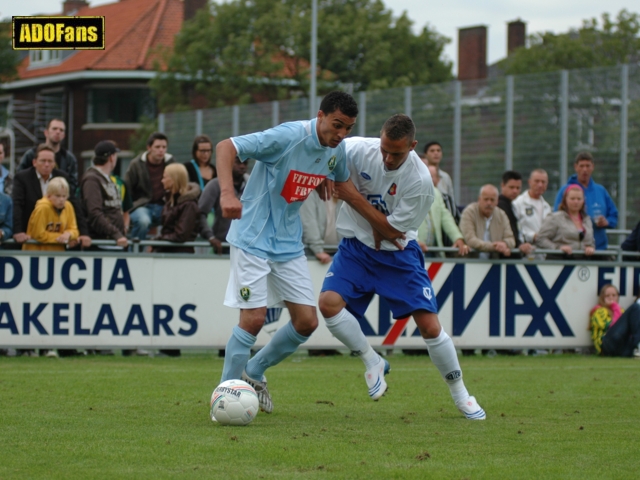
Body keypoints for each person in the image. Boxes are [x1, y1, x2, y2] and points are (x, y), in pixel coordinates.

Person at [318, 114, 485, 420]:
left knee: (429, 327)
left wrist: (352, 196)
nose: (387, 158)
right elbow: (324, 153)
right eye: (384, 149)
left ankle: (462, 394)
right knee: (328, 305)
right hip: (356, 247)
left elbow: (392, 232)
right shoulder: (357, 148)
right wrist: (324, 179)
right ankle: (372, 361)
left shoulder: (421, 183)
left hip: (397, 253)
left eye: (396, 152)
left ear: (413, 146)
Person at [215, 91, 358, 415]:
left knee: (307, 322)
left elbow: (334, 175)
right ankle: (223, 395)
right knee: (252, 319)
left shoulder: (337, 149)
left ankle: (253, 372)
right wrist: (227, 192)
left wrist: (323, 180)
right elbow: (227, 147)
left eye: (347, 128)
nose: (341, 134)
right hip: (253, 236)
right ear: (320, 115)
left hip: (288, 243)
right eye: (336, 125)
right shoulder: (289, 136)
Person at [12, 144, 91, 248]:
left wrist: (83, 233)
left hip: (55, 235)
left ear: (54, 163)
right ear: (34, 162)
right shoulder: (22, 177)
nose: (46, 164)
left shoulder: (62, 177)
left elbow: (74, 204)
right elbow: (17, 205)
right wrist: (18, 231)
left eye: (50, 161)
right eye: (43, 161)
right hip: (29, 237)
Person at [554, 152, 617, 250]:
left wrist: (607, 222)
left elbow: (614, 215)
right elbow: (556, 217)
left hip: (598, 249)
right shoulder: (565, 190)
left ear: (593, 167)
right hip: (573, 251)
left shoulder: (600, 191)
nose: (585, 169)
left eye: (588, 166)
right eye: (581, 166)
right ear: (576, 167)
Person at [125, 132, 175, 241]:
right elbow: (127, 189)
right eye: (157, 147)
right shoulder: (136, 164)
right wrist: (127, 211)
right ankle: (135, 253)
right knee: (143, 221)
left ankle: (167, 254)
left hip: (164, 206)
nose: (161, 150)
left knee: (177, 220)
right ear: (149, 148)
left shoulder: (171, 163)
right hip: (142, 206)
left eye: (164, 147)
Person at [80, 141, 128, 248]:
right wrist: (116, 234)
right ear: (111, 157)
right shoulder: (92, 179)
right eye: (115, 155)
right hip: (102, 243)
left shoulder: (106, 178)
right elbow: (94, 213)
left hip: (113, 241)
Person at [198, 156, 249, 254]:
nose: (242, 166)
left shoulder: (252, 186)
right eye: (238, 162)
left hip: (247, 247)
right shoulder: (215, 185)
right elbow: (200, 213)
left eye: (245, 163)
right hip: (223, 246)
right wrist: (210, 237)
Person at [417, 165, 469, 258]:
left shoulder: (436, 193)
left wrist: (457, 238)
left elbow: (446, 217)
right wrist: (413, 241)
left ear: (438, 180)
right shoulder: (410, 192)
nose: (430, 179)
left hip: (433, 252)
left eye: (432, 176)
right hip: (415, 250)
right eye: (427, 175)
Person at [17, 119, 78, 193]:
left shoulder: (69, 159)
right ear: (46, 132)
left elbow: (73, 183)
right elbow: (19, 178)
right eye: (54, 129)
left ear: (64, 135)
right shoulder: (31, 155)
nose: (58, 132)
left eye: (61, 130)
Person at [536, 185, 595, 259]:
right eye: (572, 199)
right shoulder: (555, 218)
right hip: (560, 261)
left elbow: (591, 242)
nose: (576, 202)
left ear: (583, 201)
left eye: (579, 199)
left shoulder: (587, 220)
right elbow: (540, 239)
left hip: (583, 262)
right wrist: (558, 248)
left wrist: (590, 248)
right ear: (565, 200)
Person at [23, 177, 79, 251]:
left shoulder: (68, 206)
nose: (61, 199)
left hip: (57, 254)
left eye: (64, 196)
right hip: (37, 253)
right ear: (49, 196)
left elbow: (74, 229)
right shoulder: (42, 208)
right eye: (57, 196)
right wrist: (62, 238)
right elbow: (38, 235)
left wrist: (69, 235)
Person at [154, 163, 200, 253]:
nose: (162, 181)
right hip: (167, 251)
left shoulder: (189, 205)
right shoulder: (170, 201)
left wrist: (158, 240)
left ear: (173, 179)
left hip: (179, 255)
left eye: (165, 177)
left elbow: (181, 235)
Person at [459, 185, 515, 259]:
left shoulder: (502, 215)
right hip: (469, 262)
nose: (489, 203)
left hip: (494, 264)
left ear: (497, 201)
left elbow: (511, 239)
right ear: (479, 199)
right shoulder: (469, 212)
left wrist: (505, 244)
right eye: (486, 199)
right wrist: (494, 247)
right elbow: (470, 240)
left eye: (492, 200)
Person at [590, 285, 640, 358]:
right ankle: (638, 344)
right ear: (602, 297)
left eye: (614, 295)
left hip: (621, 347)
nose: (611, 298)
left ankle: (637, 347)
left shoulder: (621, 310)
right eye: (607, 295)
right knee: (635, 307)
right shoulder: (599, 311)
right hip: (607, 345)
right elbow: (609, 328)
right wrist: (615, 307)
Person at [300, 189, 342, 264]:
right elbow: (309, 221)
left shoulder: (341, 191)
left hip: (340, 252)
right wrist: (318, 249)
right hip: (314, 254)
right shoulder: (309, 191)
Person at [497, 170, 534, 257]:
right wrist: (519, 245)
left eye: (518, 188)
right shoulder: (500, 205)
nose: (515, 191)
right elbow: (510, 230)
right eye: (511, 187)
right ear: (502, 186)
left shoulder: (512, 205)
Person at [512, 169, 552, 245]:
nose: (540, 185)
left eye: (543, 182)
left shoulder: (547, 207)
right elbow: (515, 228)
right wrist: (532, 236)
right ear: (529, 182)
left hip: (543, 252)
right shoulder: (518, 203)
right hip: (526, 251)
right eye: (537, 181)